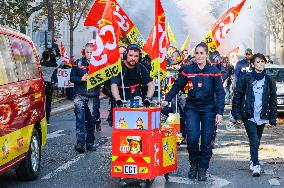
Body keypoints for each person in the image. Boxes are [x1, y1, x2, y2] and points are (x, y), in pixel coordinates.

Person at [162, 42, 225, 181]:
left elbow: (220, 93)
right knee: (192, 138)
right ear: (194, 55)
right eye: (197, 53)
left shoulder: (214, 71)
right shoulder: (188, 69)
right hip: (192, 108)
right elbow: (177, 85)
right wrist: (167, 99)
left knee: (207, 141)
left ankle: (203, 168)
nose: (199, 56)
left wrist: (220, 112)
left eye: (202, 53)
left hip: (209, 109)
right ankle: (194, 164)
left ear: (206, 55)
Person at [232, 53, 277, 177]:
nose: (261, 64)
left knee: (257, 141)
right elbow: (238, 96)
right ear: (252, 64)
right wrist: (236, 114)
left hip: (262, 115)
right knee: (254, 140)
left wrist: (272, 117)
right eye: (258, 62)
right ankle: (256, 165)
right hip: (249, 114)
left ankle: (252, 159)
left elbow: (273, 99)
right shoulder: (246, 78)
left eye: (262, 61)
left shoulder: (269, 80)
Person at [70, 42, 100, 153]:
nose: (89, 54)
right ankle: (80, 144)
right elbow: (72, 78)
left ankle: (90, 143)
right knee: (80, 120)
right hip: (80, 95)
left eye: (91, 52)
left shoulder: (98, 64)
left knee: (91, 121)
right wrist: (81, 79)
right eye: (87, 52)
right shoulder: (77, 63)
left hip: (93, 96)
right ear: (84, 51)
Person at [40, 51, 58, 125]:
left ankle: (40, 118)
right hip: (48, 84)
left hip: (41, 84)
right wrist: (54, 55)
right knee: (48, 102)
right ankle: (47, 119)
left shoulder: (40, 65)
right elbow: (57, 63)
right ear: (49, 57)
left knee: (41, 102)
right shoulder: (52, 65)